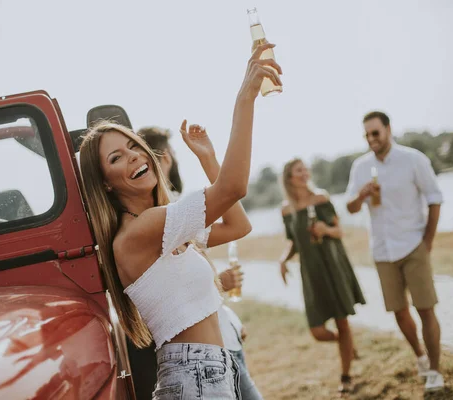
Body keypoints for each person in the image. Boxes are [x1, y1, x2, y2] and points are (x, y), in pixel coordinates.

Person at [79, 43, 282, 399]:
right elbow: (233, 188)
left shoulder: (160, 225)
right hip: (195, 377)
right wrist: (245, 98)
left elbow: (238, 227)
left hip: (209, 370)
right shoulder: (141, 230)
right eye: (116, 158)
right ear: (106, 183)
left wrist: (208, 157)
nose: (133, 156)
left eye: (133, 146)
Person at [138, 125, 264, 400]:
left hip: (223, 343)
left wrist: (229, 319)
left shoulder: (175, 214)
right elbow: (233, 194)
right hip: (203, 359)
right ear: (166, 157)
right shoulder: (157, 222)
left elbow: (240, 226)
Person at [346, 111, 444, 392]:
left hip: (413, 245)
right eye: (366, 135)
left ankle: (436, 371)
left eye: (375, 133)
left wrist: (428, 241)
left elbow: (435, 198)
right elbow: (350, 208)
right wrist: (361, 195)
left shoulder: (413, 159)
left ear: (388, 129)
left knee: (425, 309)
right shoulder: (360, 167)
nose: (371, 139)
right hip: (382, 251)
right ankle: (421, 357)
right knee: (399, 313)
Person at [279, 158, 365, 393]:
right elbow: (293, 241)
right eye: (299, 170)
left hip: (332, 266)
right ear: (289, 177)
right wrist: (283, 260)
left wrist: (326, 230)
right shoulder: (286, 209)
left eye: (305, 168)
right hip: (311, 271)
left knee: (342, 320)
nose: (305, 173)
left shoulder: (321, 198)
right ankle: (346, 346)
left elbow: (339, 231)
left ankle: (346, 377)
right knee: (317, 330)